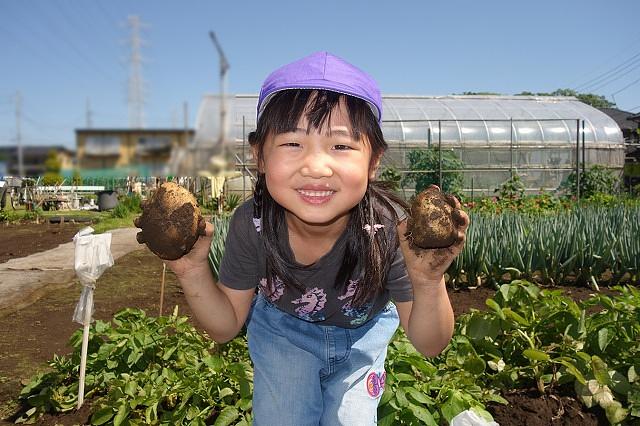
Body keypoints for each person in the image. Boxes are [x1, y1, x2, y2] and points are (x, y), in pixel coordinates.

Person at [165, 51, 469, 425]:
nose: (315, 166)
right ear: (259, 156)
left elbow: (430, 343)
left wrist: (428, 279)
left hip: (363, 338)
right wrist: (191, 270)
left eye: (341, 146)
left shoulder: (388, 228)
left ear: (373, 162)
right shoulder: (254, 223)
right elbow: (226, 325)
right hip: (282, 337)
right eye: (293, 144)